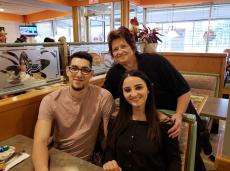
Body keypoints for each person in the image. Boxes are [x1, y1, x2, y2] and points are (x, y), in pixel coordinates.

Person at [103, 26, 210, 170]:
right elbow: (104, 96)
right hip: (146, 122)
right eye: (115, 49)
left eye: (123, 46)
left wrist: (179, 115)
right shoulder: (114, 74)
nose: (120, 51)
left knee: (189, 159)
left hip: (173, 118)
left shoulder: (155, 62)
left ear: (133, 47)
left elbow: (184, 91)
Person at [32, 51, 115, 171]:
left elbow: (109, 137)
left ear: (91, 74)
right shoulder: (50, 100)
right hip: (57, 157)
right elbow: (40, 141)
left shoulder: (103, 97)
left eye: (85, 70)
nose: (79, 74)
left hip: (86, 161)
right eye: (74, 68)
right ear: (67, 71)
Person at [103, 70, 181, 171]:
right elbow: (109, 150)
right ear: (122, 93)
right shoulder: (115, 120)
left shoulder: (165, 124)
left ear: (148, 89)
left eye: (138, 87)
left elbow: (174, 161)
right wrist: (109, 162)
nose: (133, 94)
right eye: (127, 90)